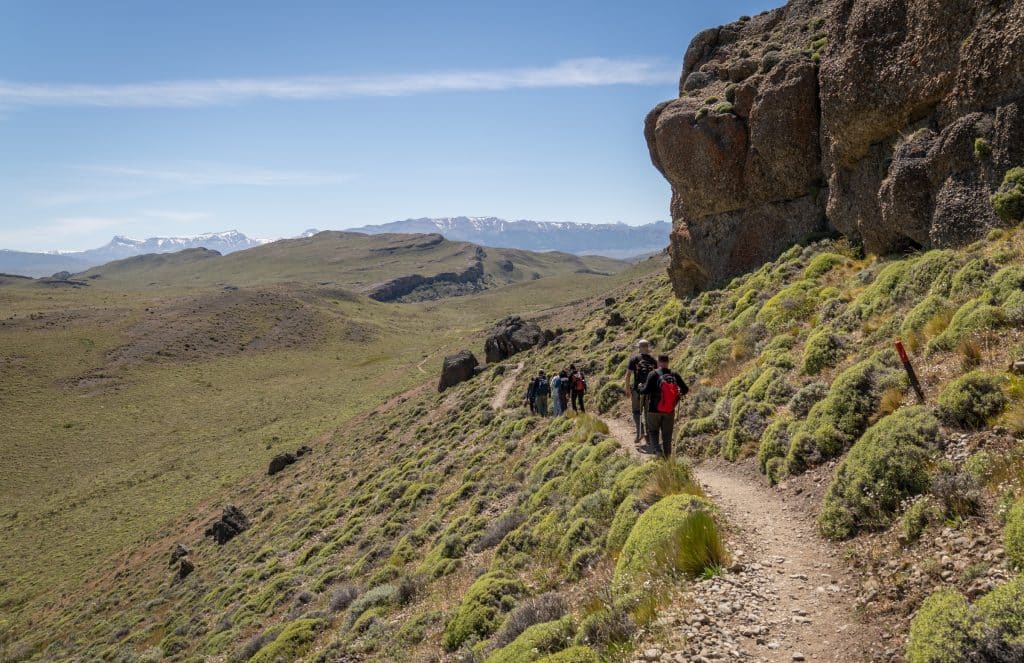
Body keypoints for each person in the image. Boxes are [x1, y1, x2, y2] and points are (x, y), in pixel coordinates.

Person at [641, 354, 688, 457]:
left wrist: (640, 387)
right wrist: (676, 398)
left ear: (658, 362)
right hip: (669, 410)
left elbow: (645, 391)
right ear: (668, 362)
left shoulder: (653, 374)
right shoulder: (674, 374)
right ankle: (667, 458)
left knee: (653, 432)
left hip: (653, 410)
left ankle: (658, 451)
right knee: (667, 435)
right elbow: (685, 389)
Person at [624, 339, 658, 444]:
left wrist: (627, 388)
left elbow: (628, 375)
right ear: (647, 348)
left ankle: (640, 432)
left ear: (639, 348)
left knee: (636, 412)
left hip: (637, 391)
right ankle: (648, 436)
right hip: (649, 391)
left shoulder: (634, 359)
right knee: (648, 413)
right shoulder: (653, 360)